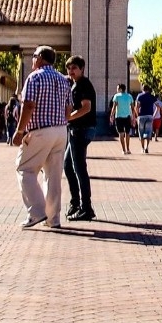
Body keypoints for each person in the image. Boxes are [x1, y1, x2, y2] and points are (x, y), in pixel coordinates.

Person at [10, 46, 73, 229]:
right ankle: (53, 219)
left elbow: (28, 105)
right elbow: (68, 108)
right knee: (53, 176)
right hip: (61, 131)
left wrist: (19, 131)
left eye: (34, 56)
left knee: (24, 169)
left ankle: (36, 212)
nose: (32, 60)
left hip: (39, 131)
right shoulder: (63, 80)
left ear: (40, 58)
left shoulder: (34, 77)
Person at [64, 55, 97, 222]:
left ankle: (86, 207)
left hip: (81, 129)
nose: (71, 71)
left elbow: (86, 107)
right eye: (69, 68)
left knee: (79, 169)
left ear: (82, 69)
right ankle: (76, 203)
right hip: (76, 130)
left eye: (74, 68)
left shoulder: (83, 84)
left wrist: (69, 118)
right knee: (68, 166)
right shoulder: (74, 84)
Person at [109, 84, 134, 154]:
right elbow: (132, 107)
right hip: (127, 117)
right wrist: (133, 117)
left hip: (119, 117)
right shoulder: (129, 96)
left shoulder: (116, 96)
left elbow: (114, 107)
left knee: (121, 133)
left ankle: (123, 150)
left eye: (117, 88)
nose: (117, 90)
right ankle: (128, 149)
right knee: (127, 133)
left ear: (120, 89)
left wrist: (111, 115)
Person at [134, 84, 157, 153]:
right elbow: (158, 106)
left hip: (141, 116)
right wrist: (154, 115)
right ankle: (147, 147)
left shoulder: (139, 96)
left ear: (142, 89)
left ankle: (142, 147)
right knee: (148, 132)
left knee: (141, 132)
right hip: (149, 116)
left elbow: (136, 107)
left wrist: (137, 115)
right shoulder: (152, 96)